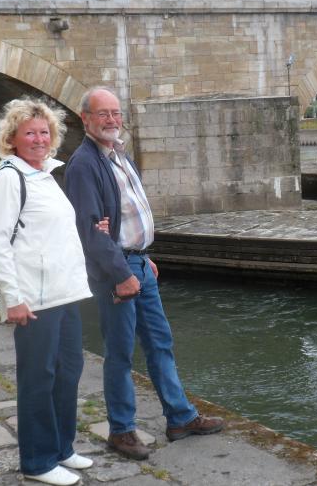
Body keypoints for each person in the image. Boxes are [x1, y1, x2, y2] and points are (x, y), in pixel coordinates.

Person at [64, 87, 224, 461]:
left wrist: (142, 255)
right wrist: (122, 271)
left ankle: (180, 418)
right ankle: (121, 430)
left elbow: (125, 215)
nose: (111, 119)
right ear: (85, 119)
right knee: (120, 353)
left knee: (160, 343)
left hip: (138, 263)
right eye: (103, 113)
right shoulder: (84, 164)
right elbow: (90, 230)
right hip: (115, 271)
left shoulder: (120, 155)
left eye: (116, 113)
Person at [0, 97, 104, 486]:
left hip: (64, 292)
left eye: (43, 132)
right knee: (38, 378)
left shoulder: (46, 174)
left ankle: (61, 448)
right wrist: (12, 298)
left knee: (68, 371)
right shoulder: (9, 177)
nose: (38, 139)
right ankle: (37, 462)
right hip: (34, 299)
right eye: (29, 133)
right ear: (12, 138)